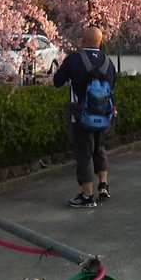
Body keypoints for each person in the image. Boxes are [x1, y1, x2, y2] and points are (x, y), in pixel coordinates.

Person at [53, 25, 117, 208]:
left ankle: (87, 196)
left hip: (81, 115)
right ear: (101, 42)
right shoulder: (107, 62)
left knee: (84, 153)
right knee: (99, 148)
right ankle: (103, 185)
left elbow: (58, 82)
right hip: (103, 115)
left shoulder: (75, 59)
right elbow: (113, 85)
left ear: (83, 40)